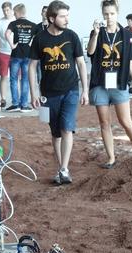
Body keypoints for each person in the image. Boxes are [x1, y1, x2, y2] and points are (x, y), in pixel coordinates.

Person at [29, 1, 88, 185]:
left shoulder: (72, 36)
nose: (66, 19)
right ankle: (60, 166)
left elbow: (80, 63)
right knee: (56, 133)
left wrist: (85, 90)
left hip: (70, 89)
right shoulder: (40, 39)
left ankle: (64, 169)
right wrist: (33, 93)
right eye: (63, 16)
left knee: (67, 127)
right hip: (49, 93)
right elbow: (32, 67)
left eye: (67, 15)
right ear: (52, 18)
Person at [88, 0, 132, 169]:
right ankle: (111, 158)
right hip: (100, 82)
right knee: (104, 123)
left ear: (117, 13)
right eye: (106, 14)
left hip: (119, 82)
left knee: (125, 120)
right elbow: (90, 52)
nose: (109, 17)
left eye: (112, 14)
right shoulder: (97, 32)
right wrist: (96, 34)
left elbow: (130, 61)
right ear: (102, 14)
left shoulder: (126, 35)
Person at [5, 4, 37, 112]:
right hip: (28, 55)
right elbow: (39, 38)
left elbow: (7, 34)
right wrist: (33, 47)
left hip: (15, 55)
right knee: (25, 80)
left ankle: (15, 104)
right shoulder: (33, 25)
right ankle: (24, 105)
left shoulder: (13, 23)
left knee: (13, 79)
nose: (14, 15)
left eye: (14, 13)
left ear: (18, 12)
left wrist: (12, 45)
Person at [0, 2, 14, 108]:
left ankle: (16, 100)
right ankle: (3, 98)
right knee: (3, 76)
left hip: (15, 54)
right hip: (3, 53)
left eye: (7, 10)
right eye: (4, 10)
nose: (6, 12)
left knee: (15, 77)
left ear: (11, 10)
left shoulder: (16, 21)